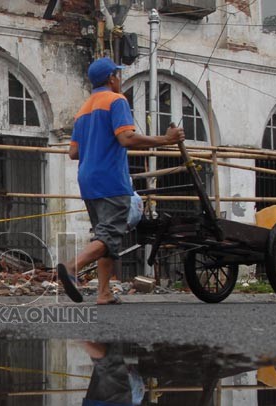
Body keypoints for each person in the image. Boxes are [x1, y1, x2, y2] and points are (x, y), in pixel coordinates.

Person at [58, 57, 185, 304]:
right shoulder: (117, 100)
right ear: (112, 78)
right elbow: (126, 138)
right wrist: (165, 140)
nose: (120, 78)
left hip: (88, 180)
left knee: (104, 235)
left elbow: (73, 152)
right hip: (110, 179)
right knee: (108, 235)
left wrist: (97, 144)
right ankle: (72, 267)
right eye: (118, 74)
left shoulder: (83, 110)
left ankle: (104, 293)